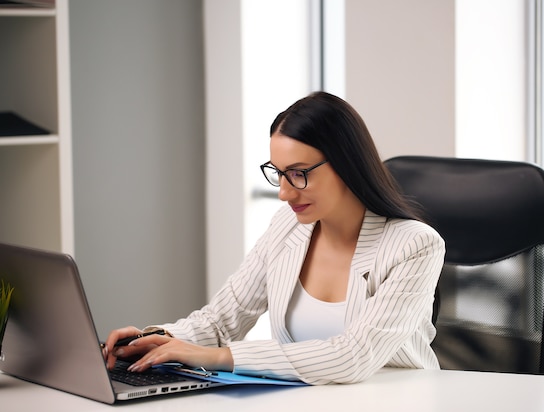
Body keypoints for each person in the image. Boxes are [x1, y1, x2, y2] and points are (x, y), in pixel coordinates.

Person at [103, 91, 445, 385]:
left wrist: (218, 357)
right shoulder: (289, 227)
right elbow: (221, 321)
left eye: (298, 174)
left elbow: (353, 355)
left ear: (346, 164)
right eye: (279, 174)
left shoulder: (415, 245)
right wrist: (159, 338)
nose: (283, 193)